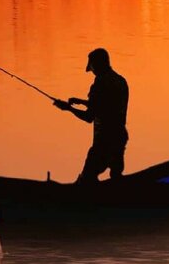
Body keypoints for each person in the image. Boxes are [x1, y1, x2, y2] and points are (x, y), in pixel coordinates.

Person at [54, 48, 129, 183]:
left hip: (103, 142)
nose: (91, 71)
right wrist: (82, 102)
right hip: (119, 137)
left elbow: (89, 117)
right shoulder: (120, 81)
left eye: (92, 67)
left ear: (97, 65)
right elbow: (106, 106)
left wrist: (68, 109)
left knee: (87, 179)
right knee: (116, 178)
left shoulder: (98, 85)